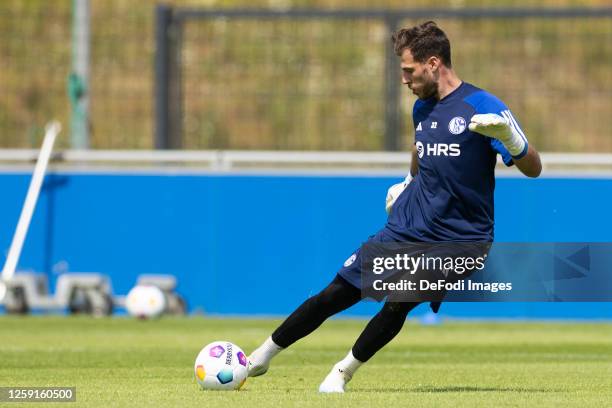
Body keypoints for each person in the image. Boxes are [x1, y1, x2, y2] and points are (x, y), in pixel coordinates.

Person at [247, 21, 542, 393]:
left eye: (408, 70)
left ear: (433, 63)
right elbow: (421, 148)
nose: (404, 79)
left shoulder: (484, 107)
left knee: (399, 300)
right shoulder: (421, 108)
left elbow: (534, 168)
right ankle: (259, 358)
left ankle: (341, 373)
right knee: (334, 294)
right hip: (408, 227)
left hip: (462, 239)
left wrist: (510, 139)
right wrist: (407, 181)